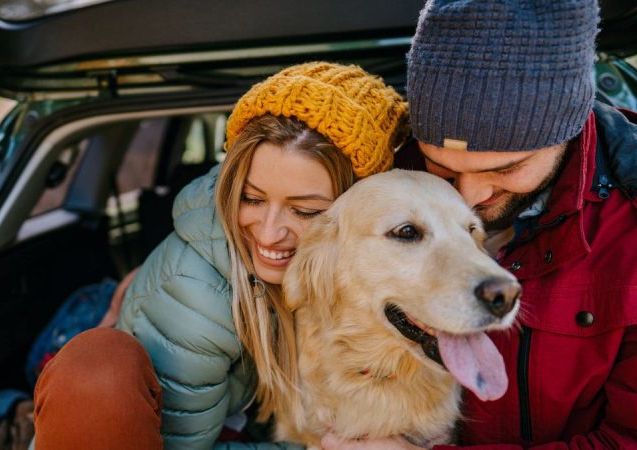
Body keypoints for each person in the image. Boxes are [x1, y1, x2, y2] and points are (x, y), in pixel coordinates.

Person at [321, 1, 637, 449]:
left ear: (568, 129)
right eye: (441, 165)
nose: (469, 195)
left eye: (505, 169)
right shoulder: (377, 171)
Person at [32, 62, 409, 449]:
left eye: (305, 211)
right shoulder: (199, 303)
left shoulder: (370, 264)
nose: (268, 233)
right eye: (251, 198)